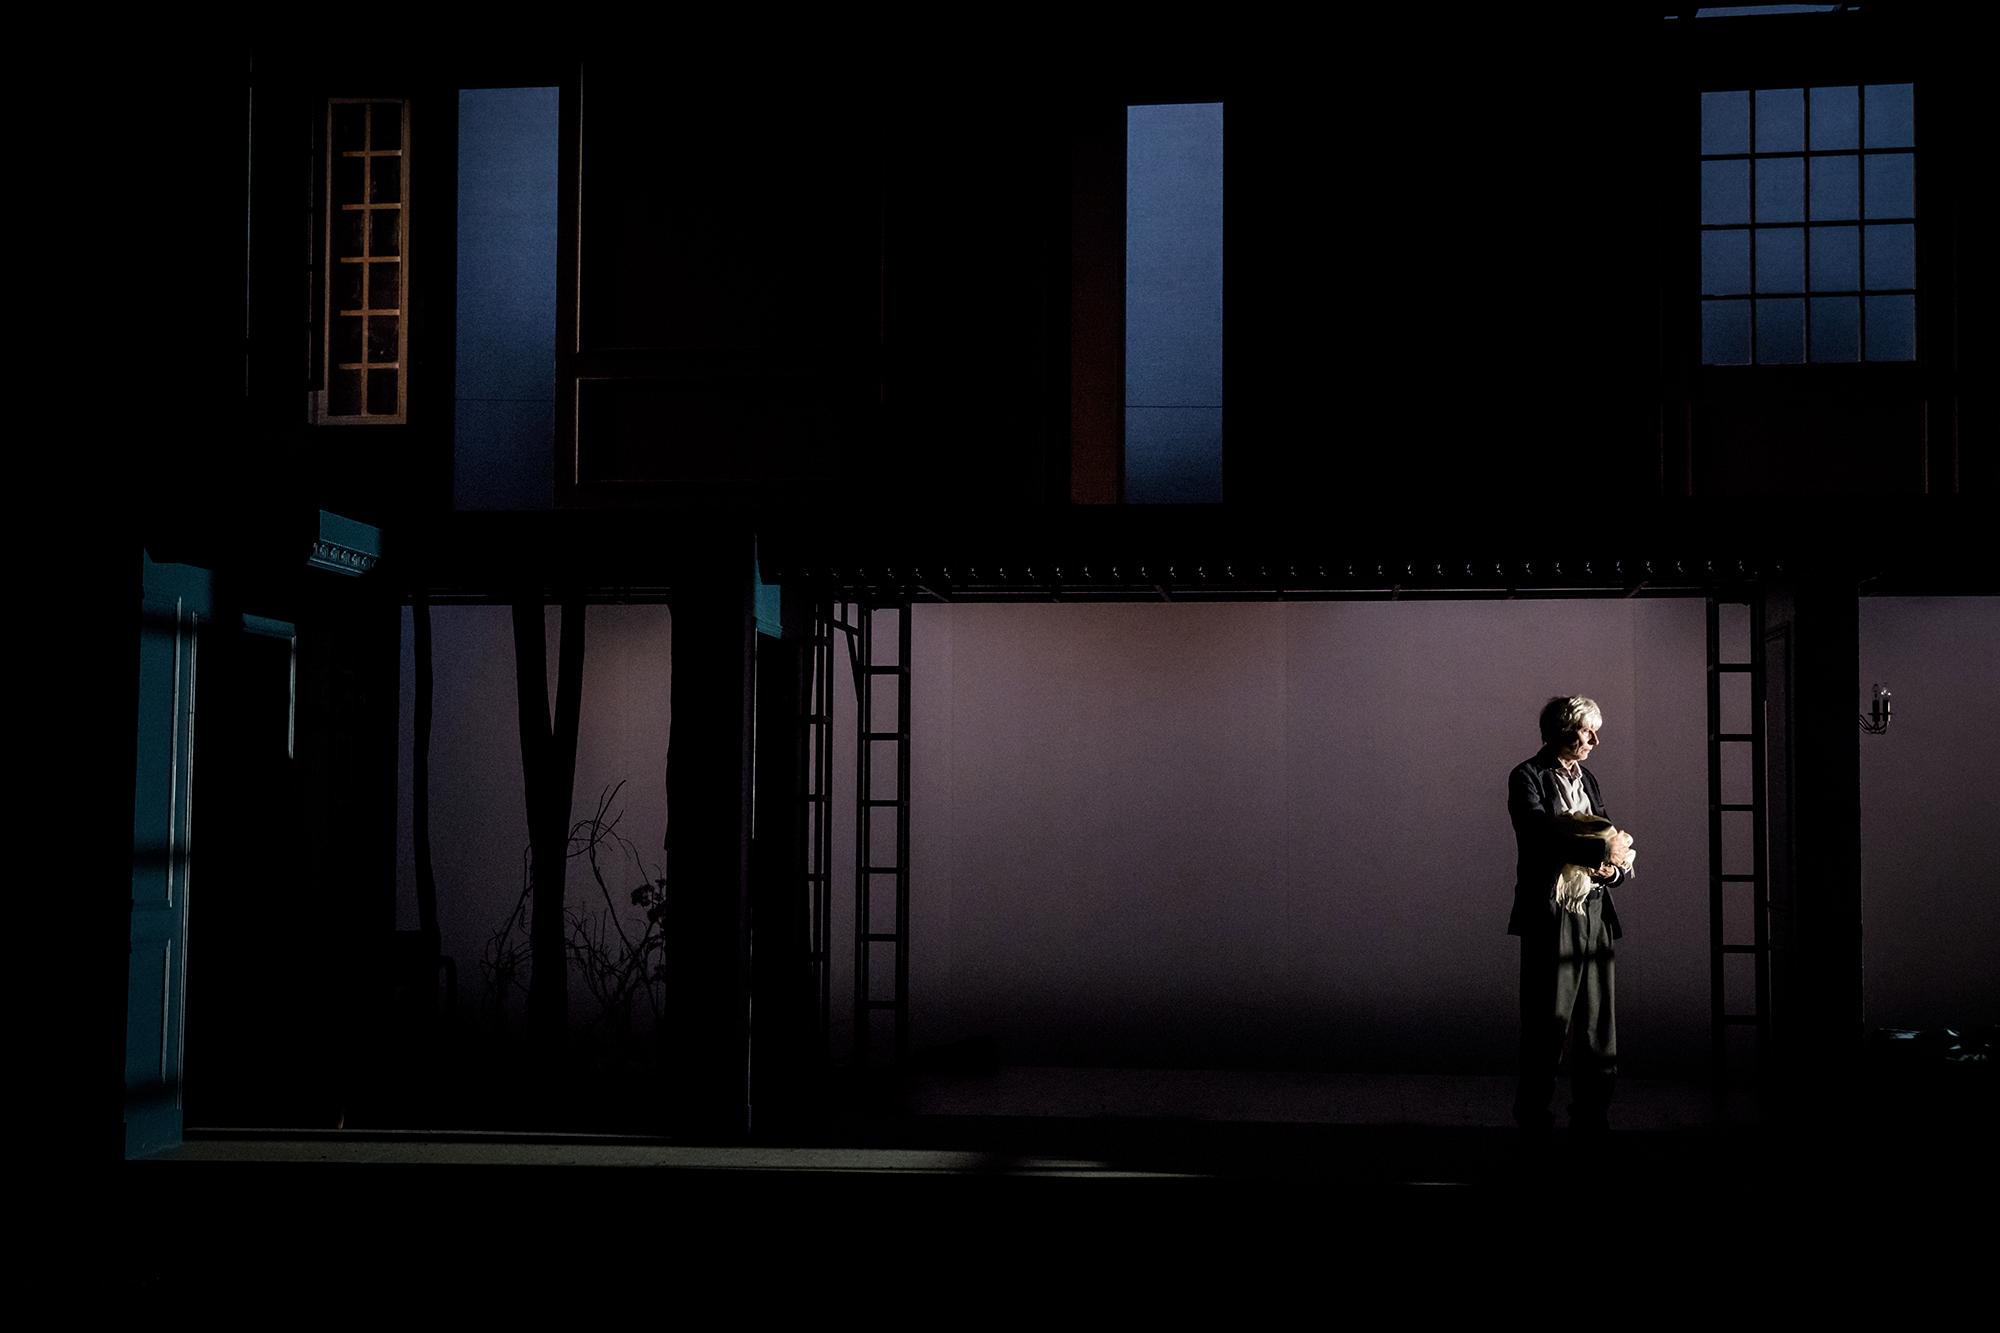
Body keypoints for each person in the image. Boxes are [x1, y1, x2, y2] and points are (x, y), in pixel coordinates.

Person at [1508, 695, 1635, 1148]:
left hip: (1594, 909)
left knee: (1598, 1024)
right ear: (1562, 730)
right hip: (1552, 912)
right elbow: (1538, 836)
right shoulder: (1527, 776)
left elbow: (1608, 838)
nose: (1595, 740)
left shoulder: (1588, 779)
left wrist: (1613, 870)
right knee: (1548, 1021)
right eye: (1587, 730)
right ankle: (1533, 1120)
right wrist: (1601, 850)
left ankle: (1592, 1119)